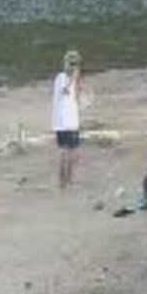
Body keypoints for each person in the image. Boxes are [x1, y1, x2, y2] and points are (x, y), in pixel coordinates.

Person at [51, 49, 83, 190]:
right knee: (68, 151)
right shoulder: (62, 78)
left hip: (68, 120)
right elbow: (65, 91)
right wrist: (73, 80)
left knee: (69, 151)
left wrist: (77, 84)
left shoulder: (66, 79)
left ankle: (66, 180)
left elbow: (77, 97)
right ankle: (66, 180)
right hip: (65, 121)